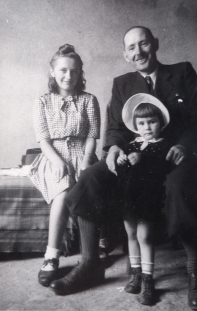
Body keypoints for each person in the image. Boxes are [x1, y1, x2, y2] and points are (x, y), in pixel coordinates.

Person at [50, 26, 197, 310]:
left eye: (143, 44)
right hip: (135, 157)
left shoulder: (182, 72)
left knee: (182, 186)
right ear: (125, 54)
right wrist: (114, 148)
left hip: (173, 155)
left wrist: (184, 146)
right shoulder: (122, 83)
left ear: (155, 44)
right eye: (131, 48)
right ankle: (91, 263)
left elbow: (196, 119)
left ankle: (195, 270)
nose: (138, 52)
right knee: (90, 177)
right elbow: (116, 129)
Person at [29, 43, 102, 288]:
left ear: (81, 73)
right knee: (61, 194)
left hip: (83, 151)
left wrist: (85, 159)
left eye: (74, 71)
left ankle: (92, 253)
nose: (68, 76)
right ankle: (52, 255)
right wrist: (58, 161)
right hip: (54, 154)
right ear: (52, 72)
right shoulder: (42, 102)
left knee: (86, 185)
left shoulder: (89, 100)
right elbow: (43, 139)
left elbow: (92, 134)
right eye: (62, 70)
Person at [115, 94, 172, 305]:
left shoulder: (163, 145)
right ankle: (136, 275)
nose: (147, 127)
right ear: (135, 126)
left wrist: (142, 157)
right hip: (129, 197)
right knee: (130, 234)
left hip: (147, 198)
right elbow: (124, 168)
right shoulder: (132, 145)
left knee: (144, 237)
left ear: (161, 123)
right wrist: (122, 158)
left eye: (152, 122)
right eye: (141, 123)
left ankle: (149, 280)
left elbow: (161, 166)